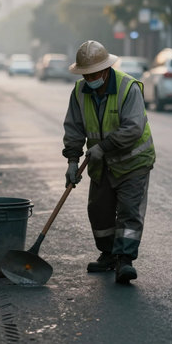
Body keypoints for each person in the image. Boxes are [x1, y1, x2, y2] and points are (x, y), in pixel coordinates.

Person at [62, 40, 156, 284]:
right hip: (100, 165)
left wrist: (103, 147)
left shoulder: (128, 88)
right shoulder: (80, 92)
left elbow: (134, 128)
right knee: (99, 211)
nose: (89, 78)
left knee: (128, 212)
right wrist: (73, 161)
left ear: (105, 70)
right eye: (85, 74)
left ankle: (124, 260)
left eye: (93, 73)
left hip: (133, 162)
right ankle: (108, 254)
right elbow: (73, 127)